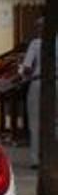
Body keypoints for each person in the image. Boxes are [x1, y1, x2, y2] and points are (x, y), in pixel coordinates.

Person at [20, 17, 58, 169]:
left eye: (38, 27)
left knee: (35, 122)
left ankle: (36, 159)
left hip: (38, 83)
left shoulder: (36, 44)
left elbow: (27, 68)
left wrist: (22, 71)